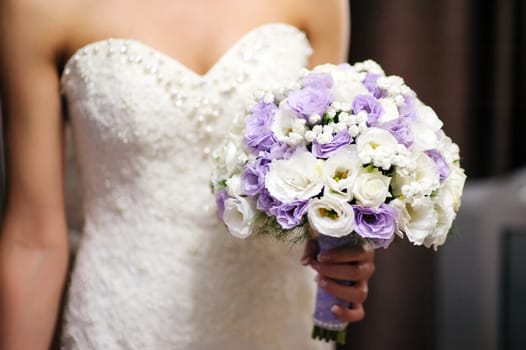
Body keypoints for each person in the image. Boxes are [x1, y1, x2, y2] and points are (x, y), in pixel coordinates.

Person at [0, 0, 375, 349]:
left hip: (280, 321)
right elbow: (34, 240)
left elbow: (325, 165)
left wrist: (341, 245)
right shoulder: (39, 9)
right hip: (124, 322)